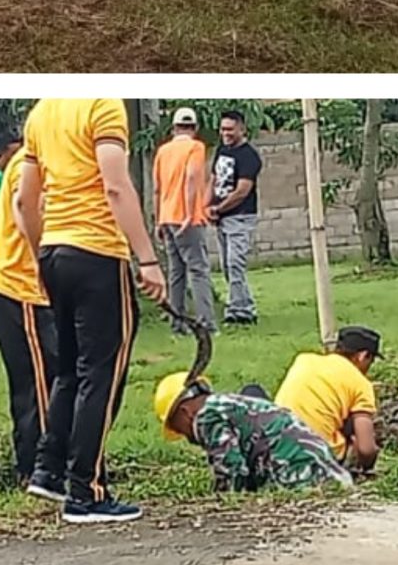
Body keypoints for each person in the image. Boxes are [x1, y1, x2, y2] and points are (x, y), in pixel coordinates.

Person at [17, 96, 167, 524]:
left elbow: (27, 201)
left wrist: (41, 254)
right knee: (101, 373)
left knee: (69, 369)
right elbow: (116, 185)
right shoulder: (103, 105)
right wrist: (148, 259)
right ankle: (87, 489)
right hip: (98, 253)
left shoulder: (42, 112)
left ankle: (49, 470)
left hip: (53, 251)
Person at [0, 126, 59, 483]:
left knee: (51, 378)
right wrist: (47, 264)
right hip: (22, 290)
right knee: (38, 384)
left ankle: (46, 464)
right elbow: (23, 207)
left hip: (29, 290)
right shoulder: (33, 162)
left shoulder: (40, 161)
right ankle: (40, 468)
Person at [154, 371, 354, 494]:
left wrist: (221, 501)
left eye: (178, 428)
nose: (187, 438)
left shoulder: (207, 417)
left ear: (184, 412)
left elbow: (231, 468)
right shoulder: (227, 404)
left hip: (295, 471)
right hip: (317, 462)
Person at [274, 327, 382, 473]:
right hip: (319, 458)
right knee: (355, 420)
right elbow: (366, 450)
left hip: (276, 447)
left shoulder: (303, 360)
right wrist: (368, 463)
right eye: (371, 360)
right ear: (363, 356)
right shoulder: (361, 384)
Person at [150, 106, 215, 334]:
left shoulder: (163, 151)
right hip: (188, 219)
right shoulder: (196, 147)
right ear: (195, 128)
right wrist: (189, 213)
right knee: (198, 270)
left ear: (174, 128)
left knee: (176, 272)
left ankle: (177, 322)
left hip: (167, 217)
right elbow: (190, 177)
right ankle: (206, 323)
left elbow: (157, 189)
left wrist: (158, 220)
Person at [210, 110, 263, 324]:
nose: (225, 133)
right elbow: (212, 179)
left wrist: (219, 208)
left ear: (242, 129)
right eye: (223, 129)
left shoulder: (249, 156)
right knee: (226, 265)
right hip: (221, 216)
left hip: (240, 216)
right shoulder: (222, 150)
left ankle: (239, 310)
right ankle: (243, 305)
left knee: (235, 263)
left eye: (230, 129)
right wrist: (208, 206)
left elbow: (242, 190)